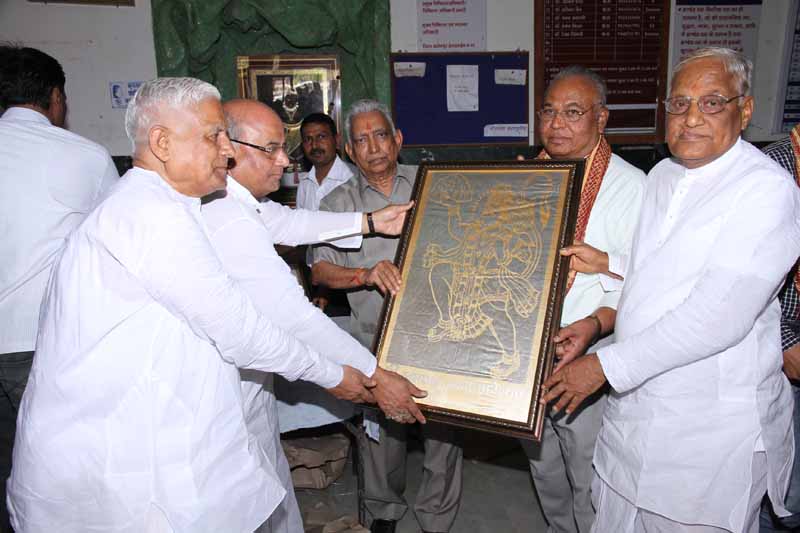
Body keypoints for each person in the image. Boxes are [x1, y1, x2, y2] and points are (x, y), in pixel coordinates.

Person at [7, 77, 379, 533]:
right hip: (109, 458)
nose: (227, 150)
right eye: (213, 136)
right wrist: (337, 376)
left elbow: (279, 222)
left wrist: (371, 221)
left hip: (148, 441)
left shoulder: (178, 203)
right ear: (162, 142)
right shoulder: (150, 214)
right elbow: (241, 330)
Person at [542, 47, 800, 533]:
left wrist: (602, 365)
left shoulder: (765, 190)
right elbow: (662, 271)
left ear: (745, 110)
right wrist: (609, 266)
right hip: (634, 416)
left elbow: (716, 316)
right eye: (680, 104)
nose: (692, 118)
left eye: (712, 103)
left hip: (705, 433)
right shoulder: (664, 174)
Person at [202, 98, 426, 533]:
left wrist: (371, 222)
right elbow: (297, 318)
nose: (286, 161)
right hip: (219, 390)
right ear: (230, 149)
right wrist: (375, 376)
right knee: (242, 501)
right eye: (272, 149)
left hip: (249, 383)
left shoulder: (239, 201)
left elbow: (294, 223)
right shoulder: (226, 217)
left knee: (268, 488)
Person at [312, 100, 463, 533]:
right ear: (349, 150)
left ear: (397, 140)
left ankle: (436, 518)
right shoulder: (337, 204)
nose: (373, 146)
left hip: (441, 337)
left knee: (443, 436)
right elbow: (320, 270)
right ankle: (384, 512)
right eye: (361, 140)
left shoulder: (435, 184)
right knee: (380, 439)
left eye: (380, 135)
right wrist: (364, 274)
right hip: (373, 342)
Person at [518, 66, 644, 533]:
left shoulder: (632, 186)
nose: (556, 124)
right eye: (549, 111)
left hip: (588, 346)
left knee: (589, 468)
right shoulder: (527, 176)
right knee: (542, 461)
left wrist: (592, 327)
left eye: (573, 113)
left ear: (601, 118)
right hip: (525, 343)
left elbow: (642, 282)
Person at [0, 45, 119, 532]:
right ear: (55, 98)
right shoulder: (85, 156)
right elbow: (119, 247)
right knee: (58, 479)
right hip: (40, 342)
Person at [759, 127, 800, 532]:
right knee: (786, 495)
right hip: (785, 344)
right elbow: (744, 274)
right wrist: (784, 342)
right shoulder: (775, 167)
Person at [296, 112, 356, 310]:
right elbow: (302, 234)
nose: (315, 145)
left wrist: (325, 288)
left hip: (349, 279)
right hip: (314, 279)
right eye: (308, 139)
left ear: (336, 140)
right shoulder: (305, 184)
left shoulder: (353, 179)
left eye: (321, 136)